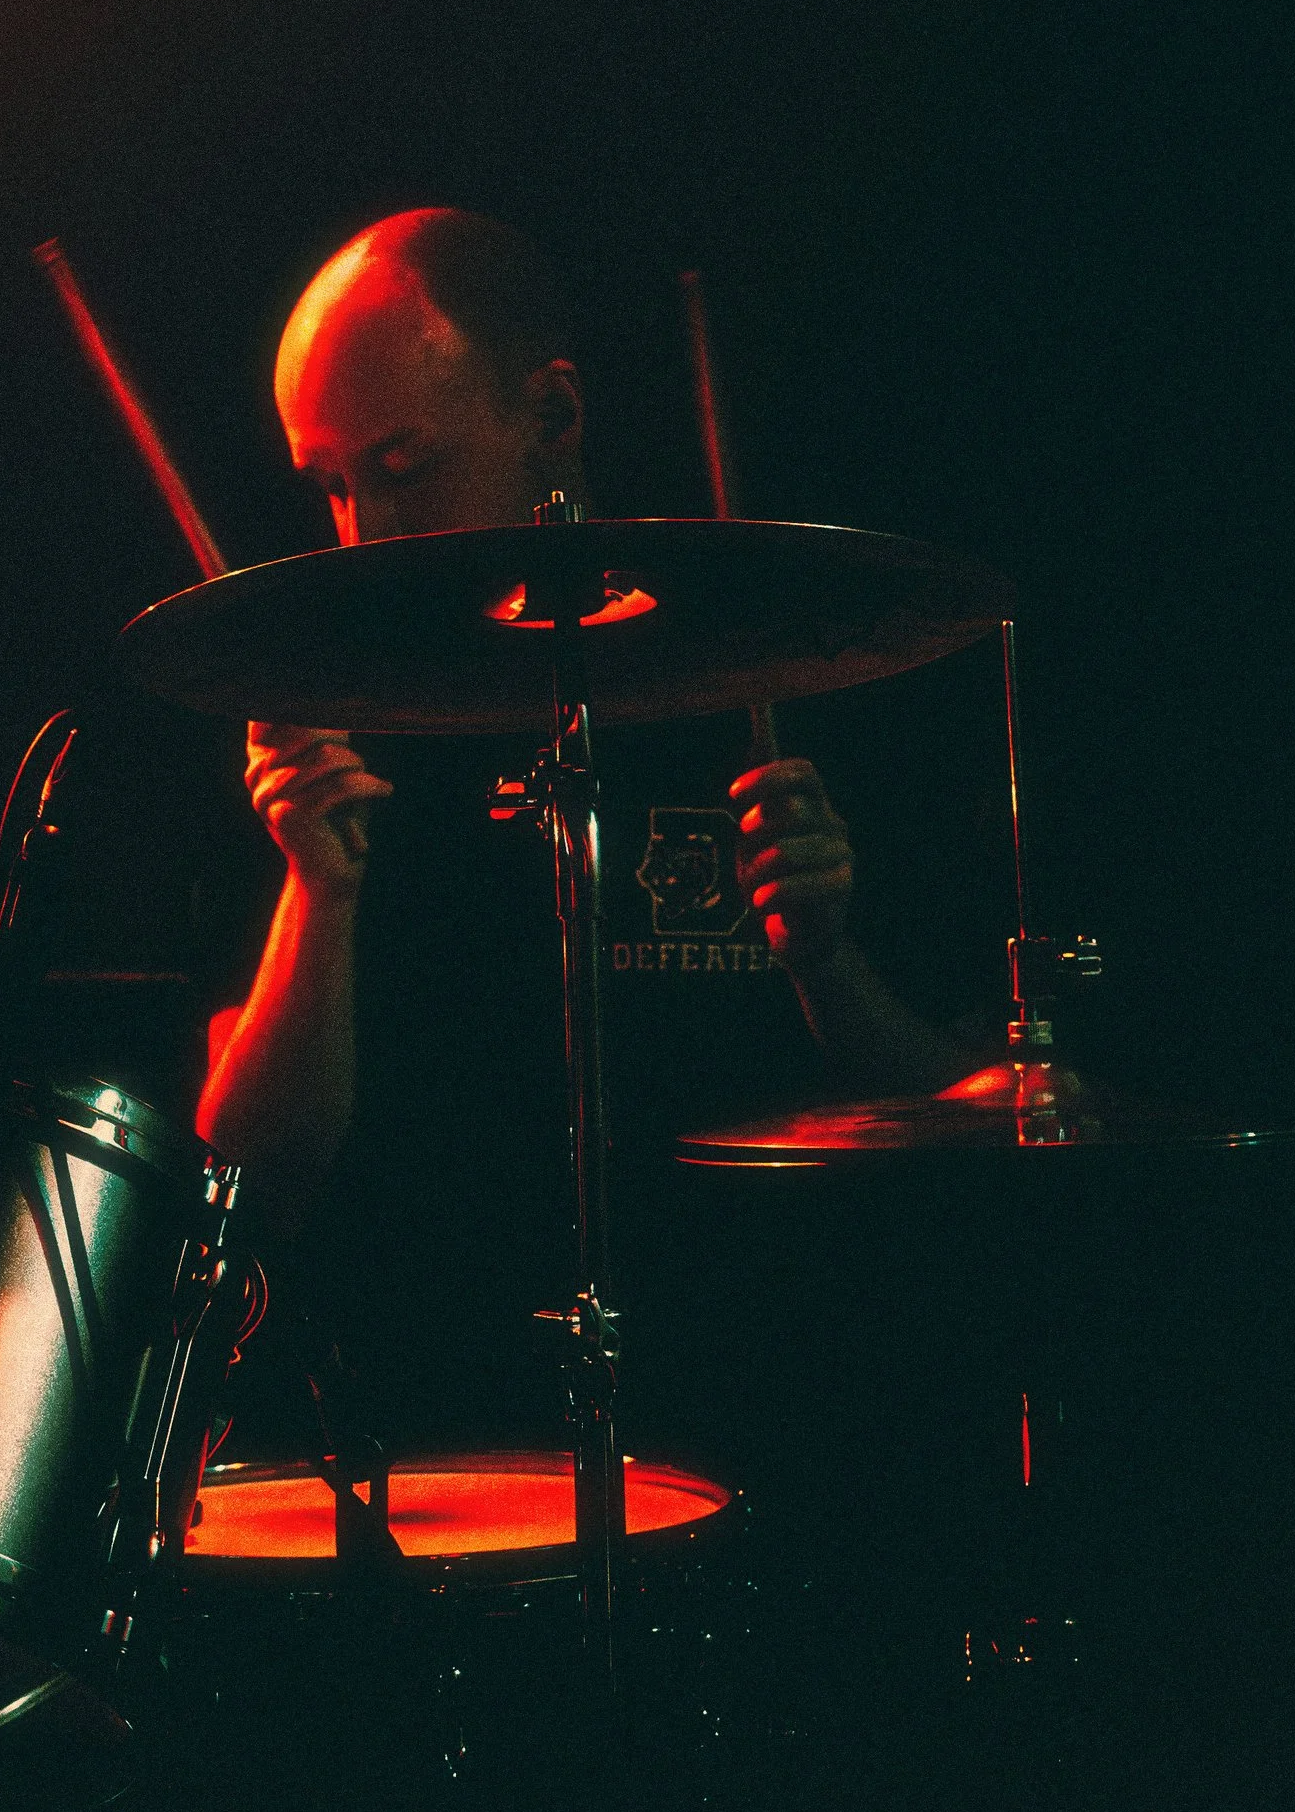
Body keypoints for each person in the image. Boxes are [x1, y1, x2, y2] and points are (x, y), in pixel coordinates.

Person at [193, 213, 975, 1438]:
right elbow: (254, 1180)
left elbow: (978, 1138)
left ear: (552, 418)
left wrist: (826, 967)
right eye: (333, 487)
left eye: (403, 468)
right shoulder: (309, 718)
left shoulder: (784, 665)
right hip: (426, 1440)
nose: (365, 536)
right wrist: (318, 896)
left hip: (773, 1405)